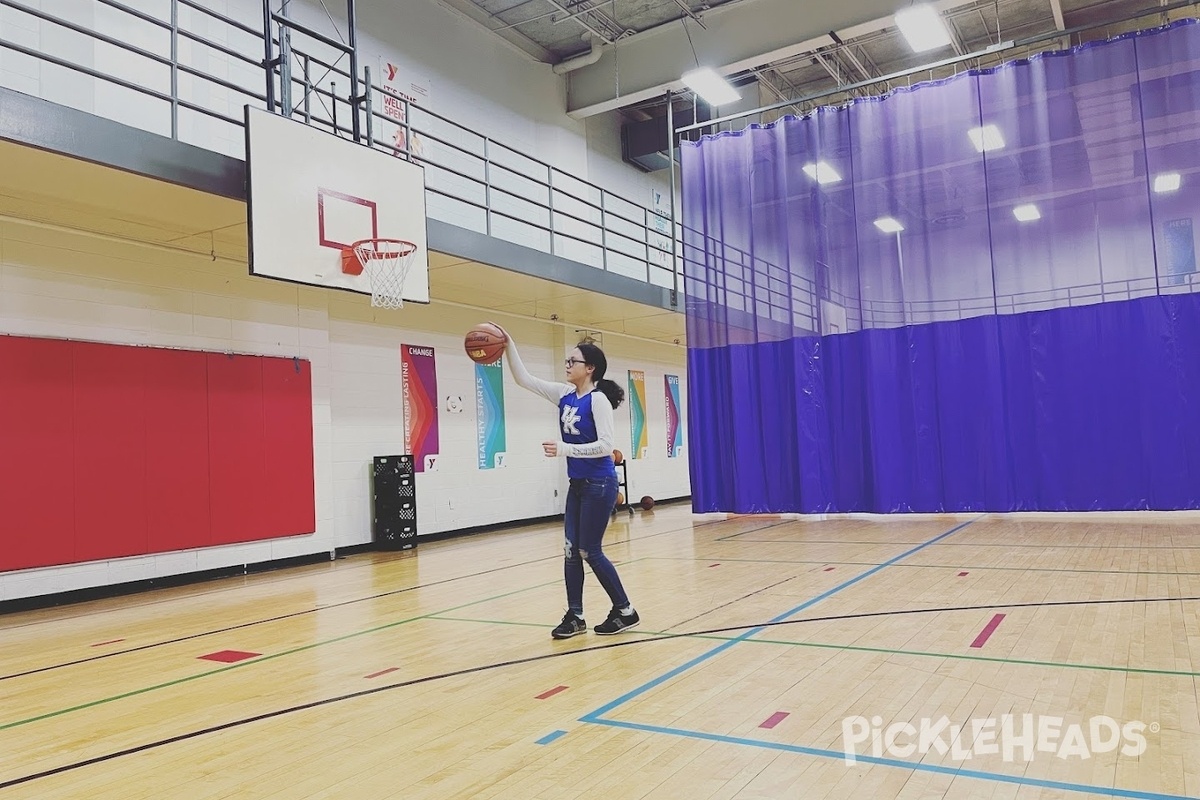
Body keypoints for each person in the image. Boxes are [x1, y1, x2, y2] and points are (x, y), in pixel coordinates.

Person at [495, 325, 640, 639]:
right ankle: (575, 616)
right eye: (567, 360)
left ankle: (625, 610)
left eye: (573, 361)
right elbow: (524, 380)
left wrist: (565, 449)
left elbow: (606, 446)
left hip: (600, 484)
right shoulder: (564, 394)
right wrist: (508, 345)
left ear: (590, 369)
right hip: (578, 485)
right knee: (571, 550)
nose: (567, 365)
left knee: (590, 550)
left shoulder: (598, 401)